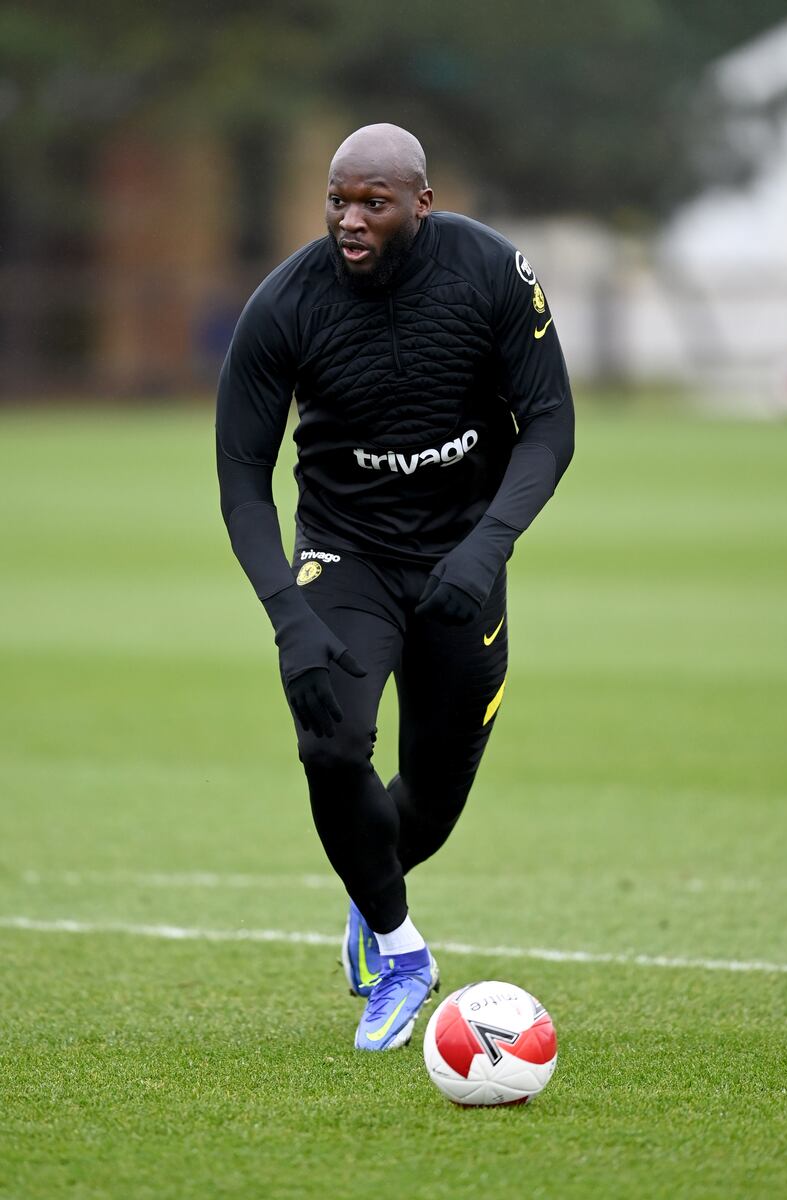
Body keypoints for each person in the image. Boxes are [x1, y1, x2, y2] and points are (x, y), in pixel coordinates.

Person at [216, 123, 574, 1051]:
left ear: (422, 201)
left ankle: (369, 894)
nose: (350, 219)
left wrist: (489, 545)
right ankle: (401, 948)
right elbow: (241, 476)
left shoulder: (491, 273)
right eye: (338, 199)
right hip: (347, 553)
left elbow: (549, 424)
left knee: (434, 799)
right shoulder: (284, 305)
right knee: (330, 745)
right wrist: (287, 615)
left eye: (373, 202)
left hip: (464, 557)